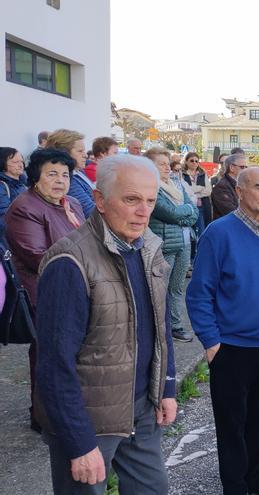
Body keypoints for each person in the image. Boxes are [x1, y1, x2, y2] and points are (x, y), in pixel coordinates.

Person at [35, 154, 176, 494]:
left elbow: (161, 324)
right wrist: (79, 442)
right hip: (89, 421)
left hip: (141, 411)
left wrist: (167, 388)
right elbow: (54, 365)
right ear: (99, 200)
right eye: (131, 200)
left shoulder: (146, 249)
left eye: (150, 201)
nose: (144, 211)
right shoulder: (70, 261)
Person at [186, 167, 259, 495]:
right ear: (241, 192)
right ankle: (236, 488)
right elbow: (199, 292)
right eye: (258, 188)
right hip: (232, 349)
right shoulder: (219, 234)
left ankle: (258, 481)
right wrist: (211, 342)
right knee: (233, 427)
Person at [6, 148, 86, 433]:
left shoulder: (72, 203)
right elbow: (38, 256)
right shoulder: (25, 207)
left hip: (76, 287)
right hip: (45, 293)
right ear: (35, 177)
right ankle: (44, 418)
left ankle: (67, 408)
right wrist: (86, 268)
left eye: (65, 174)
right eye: (52, 174)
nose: (60, 180)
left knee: (71, 355)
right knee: (48, 357)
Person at [146, 147, 199, 343]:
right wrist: (182, 214)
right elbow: (171, 213)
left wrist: (182, 215)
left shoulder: (175, 184)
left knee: (176, 288)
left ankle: (175, 326)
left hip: (184, 243)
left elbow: (193, 213)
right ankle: (159, 329)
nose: (167, 168)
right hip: (165, 244)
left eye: (168, 164)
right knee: (160, 289)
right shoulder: (151, 187)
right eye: (162, 164)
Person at [46, 129, 96, 217]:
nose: (85, 155)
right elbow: (90, 212)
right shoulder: (68, 180)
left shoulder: (79, 171)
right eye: (80, 151)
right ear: (65, 154)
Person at [183, 152, 213, 234]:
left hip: (203, 206)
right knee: (193, 232)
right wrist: (200, 188)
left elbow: (208, 191)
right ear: (186, 161)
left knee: (204, 230)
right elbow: (185, 191)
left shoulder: (202, 173)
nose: (194, 163)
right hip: (189, 207)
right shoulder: (182, 174)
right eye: (192, 160)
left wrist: (193, 193)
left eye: (196, 161)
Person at [0, 147, 28, 234]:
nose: (20, 165)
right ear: (3, 164)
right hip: (13, 238)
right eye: (15, 162)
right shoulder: (2, 186)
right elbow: (4, 218)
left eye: (21, 161)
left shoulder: (23, 184)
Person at [211, 153, 246, 220]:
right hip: (227, 227)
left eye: (246, 167)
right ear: (231, 168)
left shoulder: (241, 184)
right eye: (242, 167)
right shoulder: (221, 187)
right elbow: (230, 212)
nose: (245, 170)